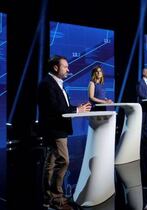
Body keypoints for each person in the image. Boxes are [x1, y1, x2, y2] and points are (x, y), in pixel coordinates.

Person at [38, 55, 91, 209]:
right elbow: (54, 109)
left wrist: (77, 107)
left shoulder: (54, 83)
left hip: (57, 128)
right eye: (65, 66)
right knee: (63, 161)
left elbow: (61, 105)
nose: (68, 69)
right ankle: (57, 197)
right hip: (55, 129)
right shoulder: (47, 84)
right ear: (56, 67)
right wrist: (76, 110)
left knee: (52, 162)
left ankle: (49, 198)